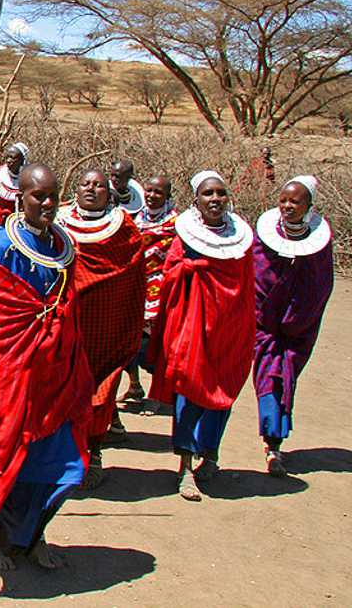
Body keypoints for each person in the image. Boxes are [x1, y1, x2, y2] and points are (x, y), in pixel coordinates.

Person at [0, 164, 92, 571]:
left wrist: (58, 333)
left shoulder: (64, 244)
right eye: (36, 196)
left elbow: (69, 306)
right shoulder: (3, 245)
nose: (46, 203)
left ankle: (33, 533)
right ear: (20, 198)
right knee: (11, 455)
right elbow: (0, 314)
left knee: (62, 463)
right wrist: (41, 327)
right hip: (16, 370)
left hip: (57, 372)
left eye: (52, 196)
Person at [148, 170, 255, 502]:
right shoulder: (187, 236)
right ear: (196, 200)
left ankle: (211, 454)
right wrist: (191, 270)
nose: (215, 200)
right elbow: (171, 275)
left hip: (229, 328)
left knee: (222, 391)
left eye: (220, 194)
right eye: (208, 194)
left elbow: (247, 285)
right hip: (194, 324)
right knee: (190, 392)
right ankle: (184, 468)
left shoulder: (241, 239)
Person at [56, 169, 145, 489]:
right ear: (75, 189)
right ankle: (64, 456)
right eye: (85, 184)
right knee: (62, 390)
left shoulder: (124, 229)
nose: (92, 189)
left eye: (99, 186)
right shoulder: (58, 222)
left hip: (106, 324)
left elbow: (133, 276)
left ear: (110, 193)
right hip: (65, 324)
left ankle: (93, 454)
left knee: (100, 392)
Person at [252, 176, 334, 477]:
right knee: (268, 379)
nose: (288, 206)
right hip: (265, 328)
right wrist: (266, 316)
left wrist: (296, 320)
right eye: (283, 200)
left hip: (299, 329)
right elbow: (257, 277)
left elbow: (319, 287)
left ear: (309, 207)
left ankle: (274, 441)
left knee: (286, 379)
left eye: (295, 201)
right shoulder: (264, 238)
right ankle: (271, 443)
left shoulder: (319, 246)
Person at [121, 175, 178, 405]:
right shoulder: (134, 218)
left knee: (153, 345)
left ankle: (168, 388)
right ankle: (135, 385)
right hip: (135, 288)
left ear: (167, 196)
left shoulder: (177, 224)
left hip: (161, 290)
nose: (152, 196)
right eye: (149, 191)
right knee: (126, 342)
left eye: (158, 192)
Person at [0, 142, 28, 234]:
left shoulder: (30, 179)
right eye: (7, 157)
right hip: (0, 222)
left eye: (12, 157)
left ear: (22, 160)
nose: (8, 160)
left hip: (22, 223)